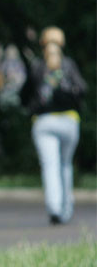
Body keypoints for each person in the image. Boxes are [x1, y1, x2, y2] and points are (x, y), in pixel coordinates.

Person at [20, 27, 87, 225]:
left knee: (50, 166)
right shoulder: (69, 65)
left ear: (42, 44)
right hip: (69, 121)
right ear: (62, 43)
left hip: (44, 122)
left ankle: (54, 209)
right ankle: (66, 209)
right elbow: (82, 89)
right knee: (65, 165)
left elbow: (24, 95)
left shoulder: (38, 66)